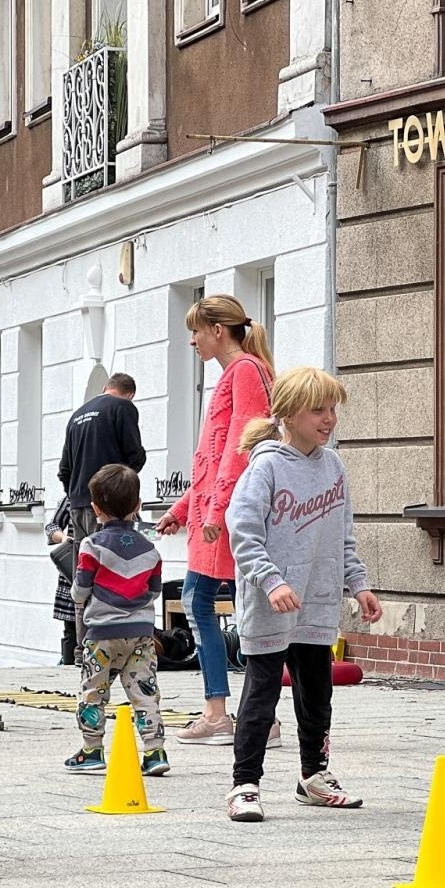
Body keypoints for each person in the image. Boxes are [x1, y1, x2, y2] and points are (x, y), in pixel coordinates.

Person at [222, 366, 381, 823]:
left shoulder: (334, 467)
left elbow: (342, 536)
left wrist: (359, 584)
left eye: (333, 409)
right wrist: (272, 581)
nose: (329, 419)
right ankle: (245, 784)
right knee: (262, 694)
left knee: (316, 694)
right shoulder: (266, 466)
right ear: (288, 415)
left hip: (317, 601)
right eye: (318, 410)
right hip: (271, 602)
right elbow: (244, 534)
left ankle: (314, 775)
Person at [156, 295, 277, 749]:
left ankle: (220, 714)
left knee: (207, 603)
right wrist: (182, 509)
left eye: (197, 331)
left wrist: (213, 510)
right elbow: (216, 455)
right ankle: (256, 717)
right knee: (236, 607)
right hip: (217, 510)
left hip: (224, 515)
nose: (193, 341)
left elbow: (240, 447)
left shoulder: (244, 371)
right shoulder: (246, 371)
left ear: (218, 331)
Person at [65, 464, 169, 778]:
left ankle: (92, 749)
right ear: (138, 506)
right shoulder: (150, 549)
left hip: (101, 634)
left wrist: (80, 599)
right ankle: (154, 752)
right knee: (144, 690)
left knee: (93, 690)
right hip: (140, 634)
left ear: (95, 508)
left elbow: (81, 588)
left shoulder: (91, 546)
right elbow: (154, 590)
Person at [57, 372, 146, 544]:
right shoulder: (123, 407)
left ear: (104, 388)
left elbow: (65, 469)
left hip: (78, 506)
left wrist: (77, 495)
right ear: (130, 395)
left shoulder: (76, 416)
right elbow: (134, 454)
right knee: (109, 562)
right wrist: (123, 488)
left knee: (84, 564)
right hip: (109, 505)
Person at [45, 496, 78, 667]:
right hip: (72, 569)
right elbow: (52, 527)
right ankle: (70, 668)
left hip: (106, 569)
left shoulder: (115, 488)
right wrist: (64, 538)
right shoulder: (72, 496)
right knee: (71, 627)